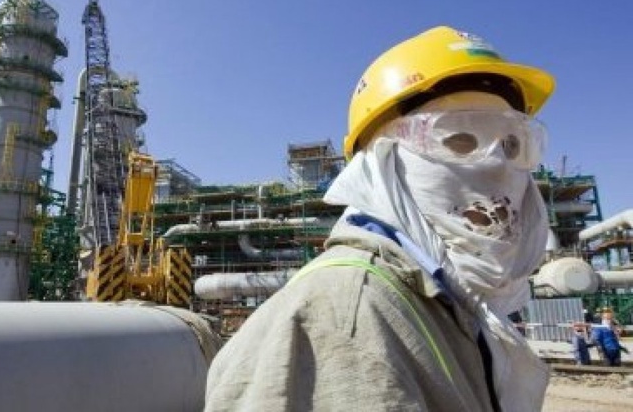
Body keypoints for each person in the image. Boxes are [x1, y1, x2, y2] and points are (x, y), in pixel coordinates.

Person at [205, 26, 556, 411]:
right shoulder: (344, 322)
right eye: (460, 138)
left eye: (512, 143)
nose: (495, 162)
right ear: (381, 160)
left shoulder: (447, 305)